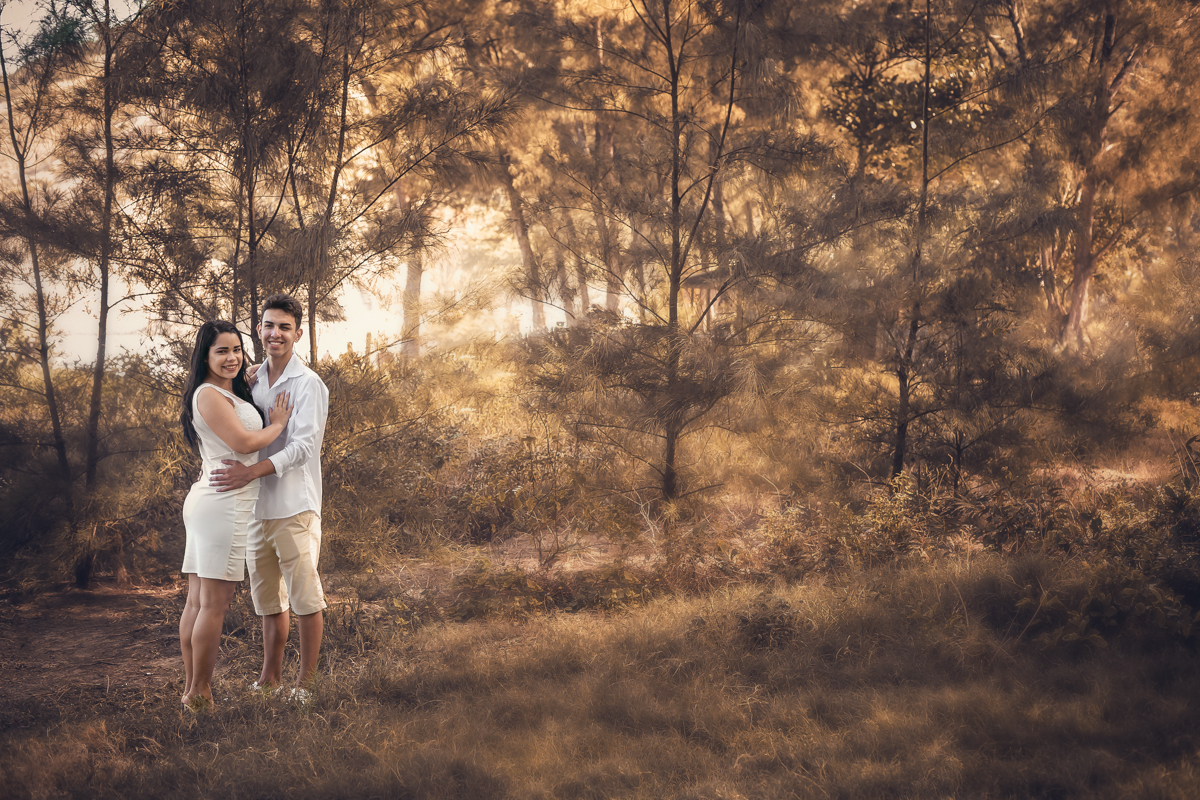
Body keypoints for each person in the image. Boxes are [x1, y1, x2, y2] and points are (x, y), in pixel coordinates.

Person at [210, 294, 329, 701]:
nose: (275, 333)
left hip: (294, 506)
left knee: (305, 598)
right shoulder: (253, 379)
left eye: (283, 326)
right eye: (268, 325)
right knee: (268, 602)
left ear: (298, 333)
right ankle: (270, 679)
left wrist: (250, 472)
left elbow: (303, 448)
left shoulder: (308, 384)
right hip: (256, 508)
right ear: (259, 330)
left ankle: (305, 685)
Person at [179, 320, 292, 713]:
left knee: (198, 601)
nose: (230, 358)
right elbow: (244, 442)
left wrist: (254, 370)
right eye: (221, 351)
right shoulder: (208, 395)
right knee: (211, 604)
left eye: (235, 350)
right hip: (223, 503)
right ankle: (200, 693)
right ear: (204, 357)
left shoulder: (226, 391)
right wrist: (277, 425)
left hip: (213, 498)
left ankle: (193, 691)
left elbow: (236, 429)